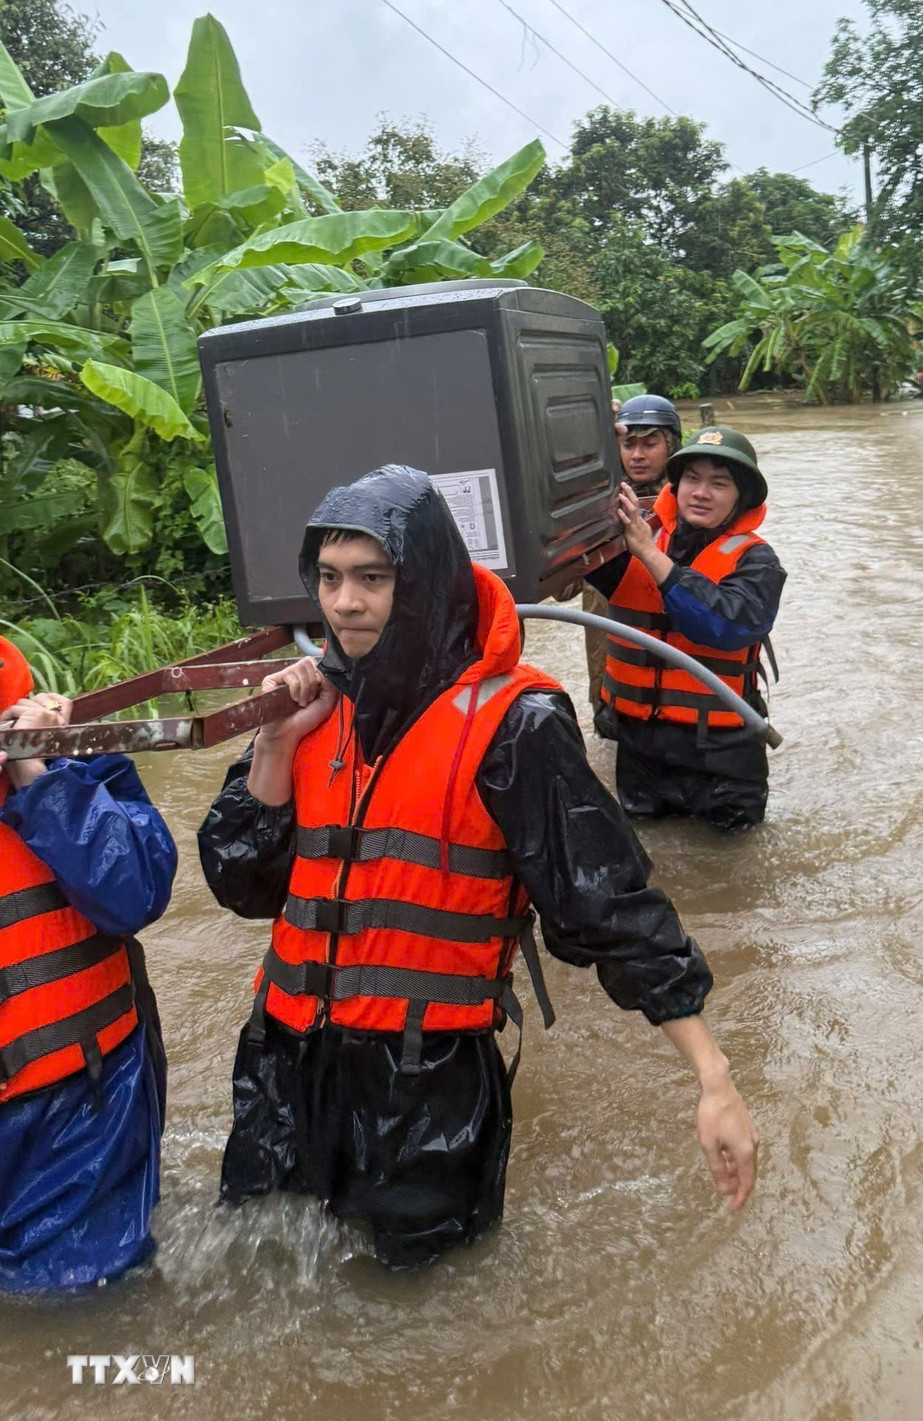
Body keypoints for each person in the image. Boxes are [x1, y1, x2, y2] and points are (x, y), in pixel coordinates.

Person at [198, 464, 758, 1270]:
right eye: (327, 578)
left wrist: (714, 1078)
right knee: (260, 1268)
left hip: (423, 1088)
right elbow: (238, 883)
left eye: (372, 579)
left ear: (422, 583)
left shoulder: (516, 725)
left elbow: (607, 906)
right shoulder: (310, 705)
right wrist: (277, 742)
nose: (344, 603)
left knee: (421, 1304)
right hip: (284, 1063)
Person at [0, 637, 176, 1292]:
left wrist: (36, 770)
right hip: (53, 1094)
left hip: (79, 1105)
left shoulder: (70, 751)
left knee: (88, 1307)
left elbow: (135, 890)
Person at [590, 426, 786, 832]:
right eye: (692, 479)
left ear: (742, 497)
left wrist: (648, 553)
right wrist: (593, 446)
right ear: (675, 486)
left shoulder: (758, 562)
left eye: (719, 483)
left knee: (733, 875)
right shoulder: (628, 538)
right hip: (642, 749)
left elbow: (723, 625)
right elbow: (563, 540)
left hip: (723, 758)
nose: (701, 492)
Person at [585, 394, 681, 737]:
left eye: (650, 443)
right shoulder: (598, 512)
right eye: (628, 444)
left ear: (671, 445)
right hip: (613, 681)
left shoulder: (695, 507)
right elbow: (561, 583)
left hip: (679, 694)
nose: (637, 454)